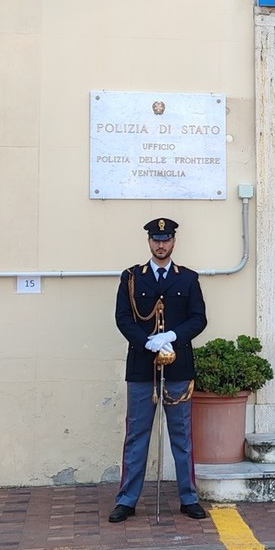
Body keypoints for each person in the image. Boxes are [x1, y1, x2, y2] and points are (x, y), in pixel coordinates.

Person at [109, 217, 209, 522]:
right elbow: (123, 318)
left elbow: (199, 318)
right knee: (136, 436)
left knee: (182, 436)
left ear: (174, 242)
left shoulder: (187, 278)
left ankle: (188, 498)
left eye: (166, 240)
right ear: (149, 242)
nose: (161, 245)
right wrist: (147, 342)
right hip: (142, 367)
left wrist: (172, 336)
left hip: (178, 366)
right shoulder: (132, 278)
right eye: (156, 239)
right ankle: (127, 499)